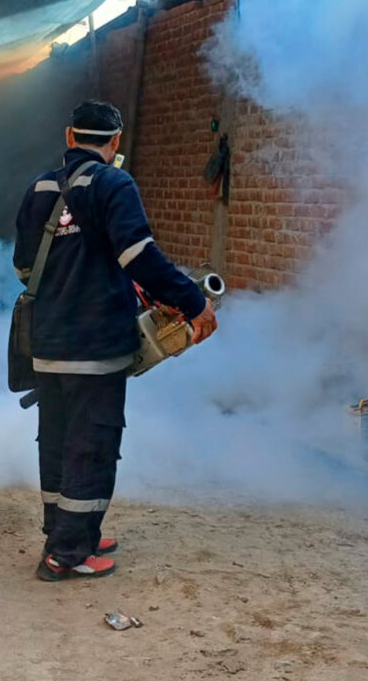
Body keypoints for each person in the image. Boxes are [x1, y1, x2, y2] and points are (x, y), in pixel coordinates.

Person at [13, 100, 217, 581]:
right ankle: (68, 554)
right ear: (116, 141)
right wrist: (193, 302)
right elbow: (140, 257)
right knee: (93, 442)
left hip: (47, 340)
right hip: (96, 344)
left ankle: (66, 529)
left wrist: (71, 280)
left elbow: (25, 266)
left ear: (69, 136)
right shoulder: (114, 184)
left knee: (58, 440)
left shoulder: (39, 187)